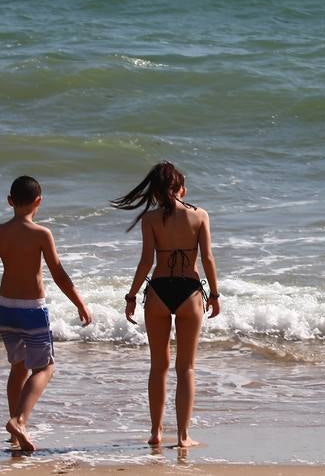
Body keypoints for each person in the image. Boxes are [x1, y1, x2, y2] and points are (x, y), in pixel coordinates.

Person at [0, 175, 93, 454]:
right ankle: (20, 421)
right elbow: (58, 273)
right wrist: (80, 303)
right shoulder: (41, 234)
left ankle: (15, 432)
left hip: (7, 309)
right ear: (39, 201)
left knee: (18, 367)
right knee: (45, 367)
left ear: (10, 201)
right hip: (32, 310)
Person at [112, 161, 222, 447]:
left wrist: (132, 296)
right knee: (186, 368)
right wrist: (215, 295)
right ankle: (184, 436)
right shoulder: (200, 216)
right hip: (190, 292)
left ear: (158, 192)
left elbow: (147, 261)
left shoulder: (150, 220)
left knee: (158, 366)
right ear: (182, 188)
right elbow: (208, 259)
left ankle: (156, 432)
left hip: (158, 292)